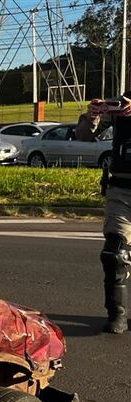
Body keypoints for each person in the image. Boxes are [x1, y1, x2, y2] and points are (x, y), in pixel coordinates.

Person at [78, 94, 131, 333]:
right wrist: (93, 115)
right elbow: (84, 135)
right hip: (121, 188)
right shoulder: (119, 104)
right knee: (114, 253)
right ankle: (116, 313)